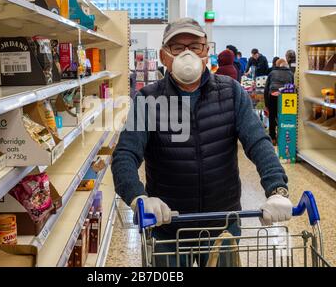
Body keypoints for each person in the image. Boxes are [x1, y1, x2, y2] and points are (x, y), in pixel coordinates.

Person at [111, 18, 292, 267]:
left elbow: (258, 142)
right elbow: (125, 154)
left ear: (207, 52)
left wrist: (277, 189)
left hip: (222, 225)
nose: (187, 53)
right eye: (177, 47)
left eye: (195, 46)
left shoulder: (231, 93)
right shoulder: (147, 99)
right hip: (167, 228)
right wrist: (138, 197)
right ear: (164, 56)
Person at [264, 58, 294, 145]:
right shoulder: (290, 73)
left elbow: (266, 89)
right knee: (284, 117)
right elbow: (292, 86)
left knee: (272, 117)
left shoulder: (272, 73)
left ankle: (273, 138)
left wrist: (266, 104)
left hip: (272, 96)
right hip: (286, 97)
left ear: (276, 65)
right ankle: (283, 137)